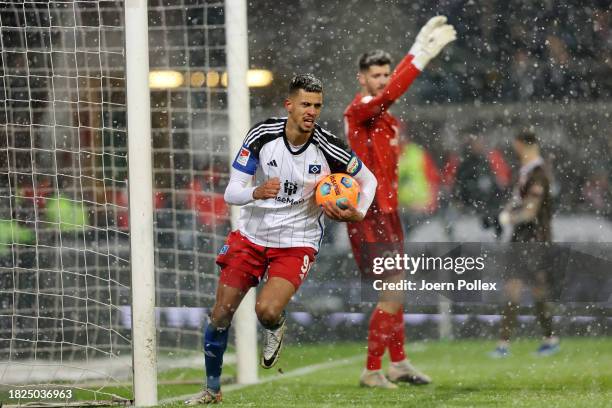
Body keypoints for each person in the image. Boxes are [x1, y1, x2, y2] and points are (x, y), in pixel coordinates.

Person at [185, 74, 378, 405]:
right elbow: (232, 192)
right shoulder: (262, 135)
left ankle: (274, 327)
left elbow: (368, 180)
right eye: (305, 104)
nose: (312, 111)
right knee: (220, 314)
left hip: (296, 240)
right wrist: (255, 192)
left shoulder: (330, 147)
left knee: (267, 310)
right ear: (289, 105)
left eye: (317, 105)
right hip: (250, 236)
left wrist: (359, 212)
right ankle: (211, 389)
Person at [344, 16, 456, 388]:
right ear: (362, 78)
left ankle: (398, 363)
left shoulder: (386, 119)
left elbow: (389, 96)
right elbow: (389, 94)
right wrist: (419, 56)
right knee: (392, 289)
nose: (382, 81)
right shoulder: (359, 110)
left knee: (397, 289)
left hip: (388, 214)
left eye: (385, 74)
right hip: (369, 215)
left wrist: (414, 54)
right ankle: (372, 369)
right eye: (375, 76)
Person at [491, 130, 558, 357]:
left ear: (521, 145)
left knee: (537, 289)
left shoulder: (538, 173)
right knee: (513, 288)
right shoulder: (525, 173)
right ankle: (504, 344)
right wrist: (502, 215)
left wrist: (507, 218)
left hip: (535, 240)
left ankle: (549, 338)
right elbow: (518, 204)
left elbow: (530, 212)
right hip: (521, 239)